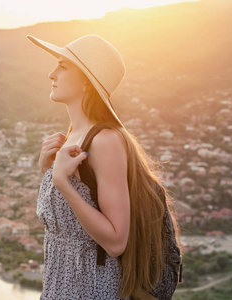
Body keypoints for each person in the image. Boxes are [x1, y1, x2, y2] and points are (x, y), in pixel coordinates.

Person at [27, 34, 180, 299]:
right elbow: (72, 213)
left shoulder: (105, 141)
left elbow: (116, 241)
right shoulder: (74, 134)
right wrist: (48, 171)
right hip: (58, 288)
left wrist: (61, 181)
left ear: (87, 81)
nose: (51, 74)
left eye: (62, 66)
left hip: (92, 289)